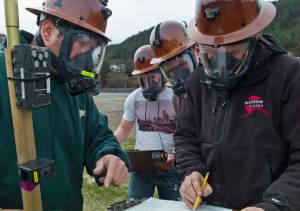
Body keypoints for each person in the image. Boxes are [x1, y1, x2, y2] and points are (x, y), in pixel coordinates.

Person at [0, 0, 130, 210]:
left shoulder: (74, 87)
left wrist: (109, 154)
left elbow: (99, 136)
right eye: (83, 43)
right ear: (49, 31)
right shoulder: (3, 75)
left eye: (93, 48)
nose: (87, 58)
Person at [174, 0, 300, 210]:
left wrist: (273, 204)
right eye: (211, 54)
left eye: (232, 52)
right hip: (212, 205)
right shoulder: (198, 81)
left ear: (255, 36)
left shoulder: (289, 77)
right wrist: (190, 171)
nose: (221, 66)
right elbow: (185, 136)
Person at [114, 45, 180, 201]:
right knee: (136, 206)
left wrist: (175, 154)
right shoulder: (133, 98)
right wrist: (109, 148)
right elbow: (123, 129)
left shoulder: (176, 96)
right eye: (143, 78)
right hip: (142, 168)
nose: (148, 83)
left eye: (152, 77)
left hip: (170, 166)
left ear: (163, 73)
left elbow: (186, 132)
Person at [149, 20, 201, 112]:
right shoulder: (177, 100)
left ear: (196, 52)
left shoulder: (217, 92)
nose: (179, 78)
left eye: (181, 65)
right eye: (169, 72)